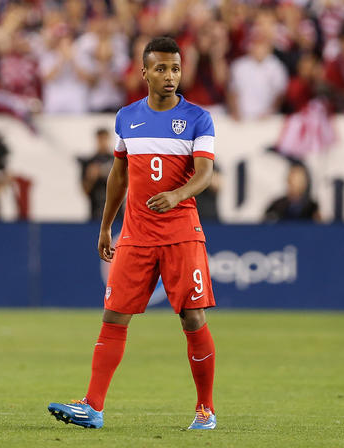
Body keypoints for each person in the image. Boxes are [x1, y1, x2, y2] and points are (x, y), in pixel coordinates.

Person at [48, 37, 217, 431]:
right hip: (136, 234)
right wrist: (107, 226)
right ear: (144, 73)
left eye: (175, 68)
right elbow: (119, 175)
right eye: (161, 68)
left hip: (181, 233)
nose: (170, 76)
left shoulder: (198, 118)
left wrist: (177, 194)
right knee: (113, 316)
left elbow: (206, 173)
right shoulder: (127, 117)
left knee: (192, 318)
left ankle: (205, 409)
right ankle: (92, 406)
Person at [81, 128, 115, 221]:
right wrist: (91, 177)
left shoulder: (117, 161)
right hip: (96, 212)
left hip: (116, 213)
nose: (102, 142)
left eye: (105, 139)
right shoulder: (89, 162)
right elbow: (85, 191)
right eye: (100, 139)